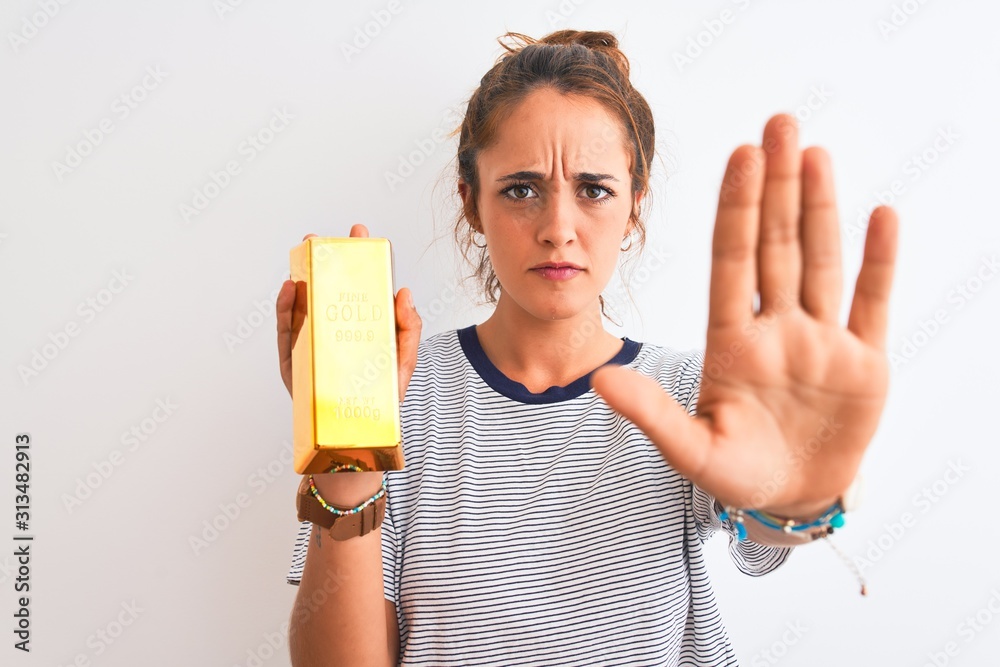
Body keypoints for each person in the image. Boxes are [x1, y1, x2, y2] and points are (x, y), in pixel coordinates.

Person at [276, 29, 898, 666]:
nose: (558, 230)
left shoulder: (693, 391)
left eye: (594, 189)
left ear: (634, 204)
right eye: (521, 189)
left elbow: (763, 529)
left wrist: (794, 495)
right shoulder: (397, 392)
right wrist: (347, 455)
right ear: (471, 201)